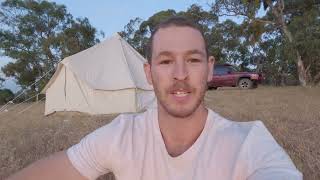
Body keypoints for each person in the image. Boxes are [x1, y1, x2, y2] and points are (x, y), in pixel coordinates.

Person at [8, 16, 302, 180]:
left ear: (210, 69)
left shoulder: (250, 143)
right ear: (148, 73)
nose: (180, 74)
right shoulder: (122, 134)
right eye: (165, 61)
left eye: (193, 60)